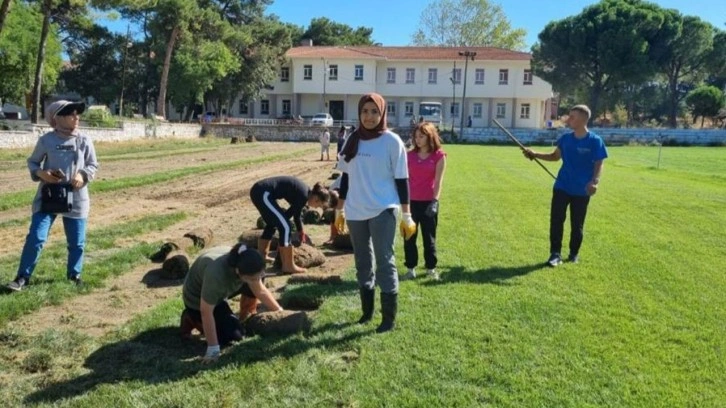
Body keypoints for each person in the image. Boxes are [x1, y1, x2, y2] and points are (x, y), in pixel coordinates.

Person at [335, 93, 415, 333]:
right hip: (356, 210)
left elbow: (402, 180)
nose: (369, 116)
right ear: (359, 113)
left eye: (374, 112)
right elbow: (346, 178)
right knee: (362, 262)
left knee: (384, 261)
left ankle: (388, 319)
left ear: (382, 114)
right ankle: (367, 312)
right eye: (364, 111)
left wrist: (407, 215)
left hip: (383, 209)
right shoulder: (352, 140)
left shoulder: (392, 142)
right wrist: (339, 209)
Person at [6, 100, 99, 291]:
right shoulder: (46, 140)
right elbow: (33, 162)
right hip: (48, 195)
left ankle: (74, 274)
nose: (77, 117)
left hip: (76, 197)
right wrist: (43, 174)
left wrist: (82, 175)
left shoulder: (84, 140)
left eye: (77, 114)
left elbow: (92, 165)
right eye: (72, 114)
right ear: (58, 118)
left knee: (77, 241)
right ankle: (22, 277)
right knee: (36, 237)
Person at [522, 105, 608, 267]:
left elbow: (599, 163)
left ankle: (573, 254)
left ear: (583, 119)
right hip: (562, 186)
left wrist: (594, 182)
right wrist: (534, 154)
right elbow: (554, 157)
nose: (569, 119)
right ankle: (555, 254)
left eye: (573, 117)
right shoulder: (566, 139)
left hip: (582, 190)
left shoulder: (595, 141)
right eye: (569, 116)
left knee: (577, 224)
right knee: (556, 221)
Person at [180, 244, 284, 362]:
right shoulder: (216, 275)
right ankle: (191, 318)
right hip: (197, 300)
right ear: (237, 271)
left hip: (224, 289)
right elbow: (206, 312)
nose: (256, 280)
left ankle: (246, 315)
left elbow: (260, 290)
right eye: (252, 278)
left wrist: (279, 311)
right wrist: (213, 349)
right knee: (232, 337)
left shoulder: (245, 260)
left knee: (255, 280)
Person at [250, 176, 330, 274]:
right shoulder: (303, 195)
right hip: (263, 193)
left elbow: (295, 214)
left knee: (273, 223)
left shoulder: (304, 193)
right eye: (319, 205)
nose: (317, 207)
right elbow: (288, 216)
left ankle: (262, 256)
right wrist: (284, 234)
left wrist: (300, 231)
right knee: (285, 226)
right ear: (316, 198)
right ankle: (288, 265)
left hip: (260, 191)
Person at [402, 122, 447, 281]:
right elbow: (404, 180)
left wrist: (434, 201)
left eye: (421, 136)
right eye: (416, 136)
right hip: (411, 203)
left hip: (429, 203)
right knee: (409, 238)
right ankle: (410, 268)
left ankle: (431, 268)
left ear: (430, 137)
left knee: (429, 239)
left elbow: (438, 181)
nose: (417, 139)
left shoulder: (439, 156)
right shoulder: (409, 156)